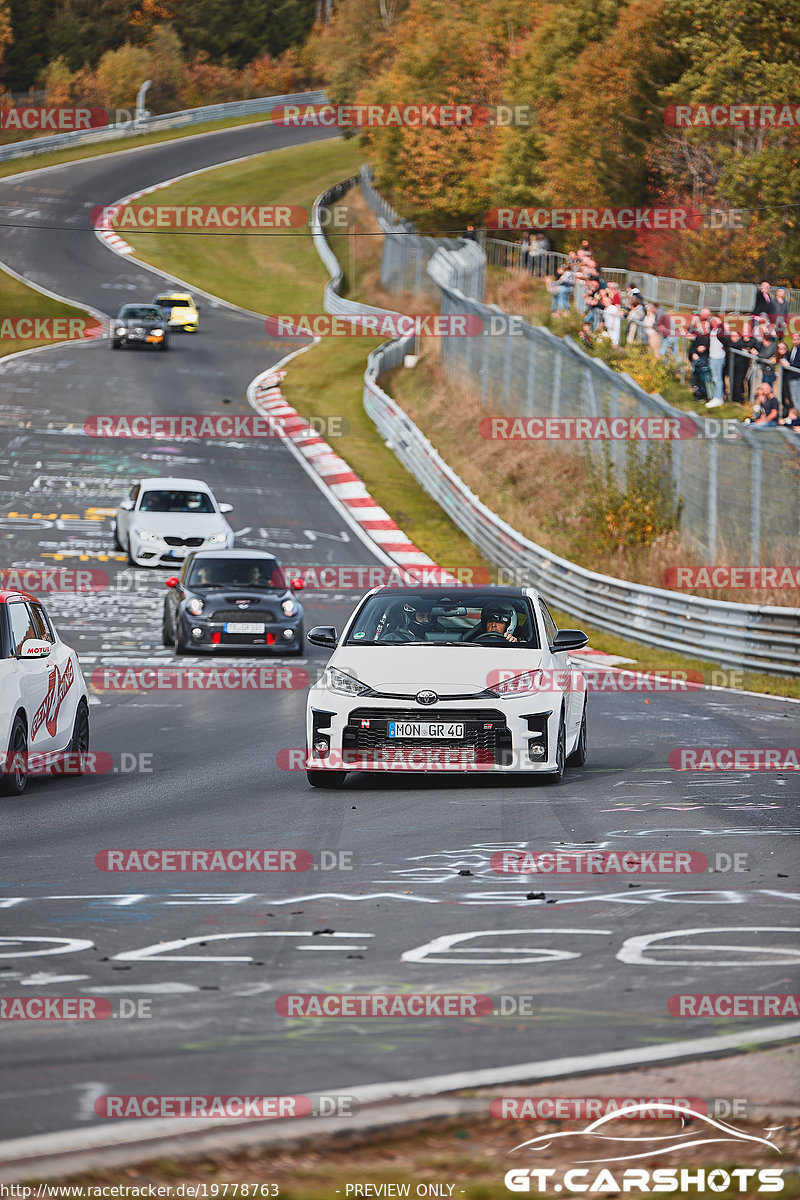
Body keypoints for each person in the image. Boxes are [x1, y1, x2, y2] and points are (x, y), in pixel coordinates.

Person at [705, 316, 728, 408]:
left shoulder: (720, 331)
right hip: (712, 357)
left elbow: (726, 342)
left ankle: (718, 398)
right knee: (715, 378)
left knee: (717, 379)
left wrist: (724, 347)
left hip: (718, 358)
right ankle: (716, 396)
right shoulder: (713, 331)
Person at [786, 331, 800, 410]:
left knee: (797, 397)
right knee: (793, 397)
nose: (796, 341)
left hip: (797, 376)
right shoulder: (793, 348)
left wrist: (790, 365)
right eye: (794, 339)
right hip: (791, 376)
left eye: (797, 339)